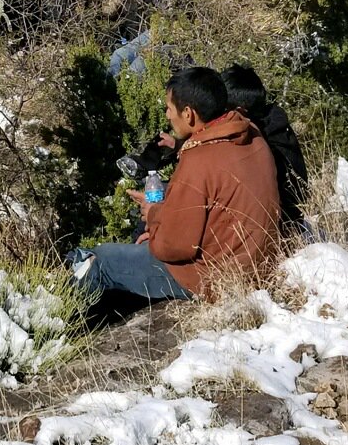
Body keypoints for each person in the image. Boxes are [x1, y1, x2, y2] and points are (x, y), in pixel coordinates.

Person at [71, 67, 280, 300]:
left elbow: (174, 246)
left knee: (101, 260)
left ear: (188, 114)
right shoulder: (249, 132)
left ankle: (60, 313)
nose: (168, 115)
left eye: (169, 108)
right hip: (253, 262)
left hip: (214, 277)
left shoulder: (199, 160)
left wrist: (153, 216)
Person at [220, 65, 309, 238]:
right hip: (287, 229)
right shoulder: (276, 128)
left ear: (239, 112)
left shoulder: (257, 141)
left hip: (272, 235)